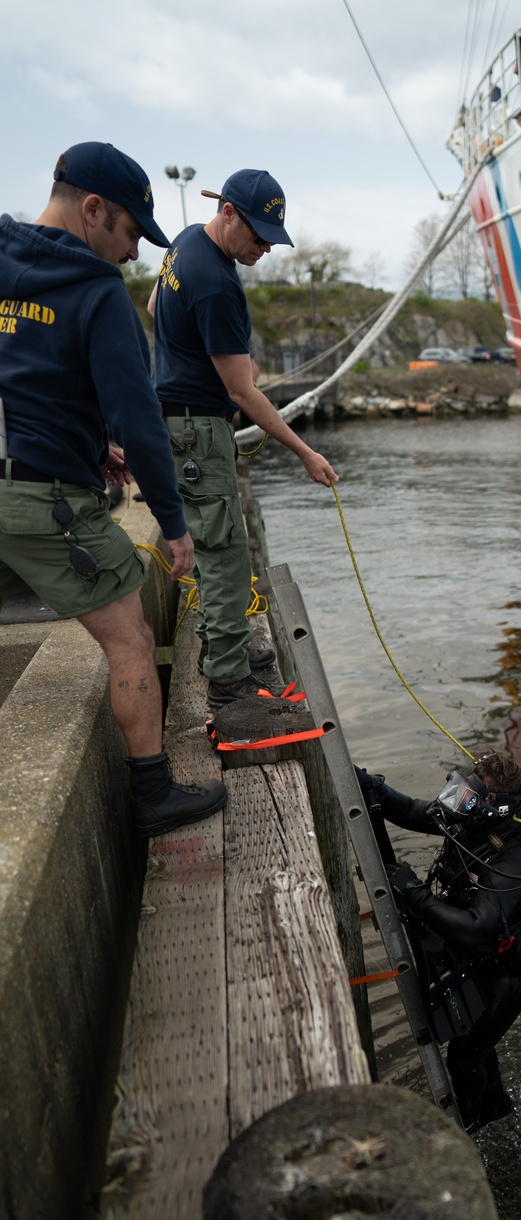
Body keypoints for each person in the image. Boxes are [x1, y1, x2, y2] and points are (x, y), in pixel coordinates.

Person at [0, 142, 226, 838]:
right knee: (129, 637)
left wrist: (91, 449)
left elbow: (26, 377)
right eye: (131, 232)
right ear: (93, 209)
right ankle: (154, 796)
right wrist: (175, 524)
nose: (133, 254)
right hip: (43, 504)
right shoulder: (98, 294)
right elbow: (144, 424)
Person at [149, 169, 339, 708]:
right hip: (200, 429)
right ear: (227, 212)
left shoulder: (183, 244)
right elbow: (241, 392)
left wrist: (200, 350)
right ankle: (230, 685)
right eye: (257, 237)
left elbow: (154, 308)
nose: (263, 249)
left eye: (271, 240)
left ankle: (223, 641)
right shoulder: (217, 282)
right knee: (227, 551)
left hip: (175, 422)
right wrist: (305, 452)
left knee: (212, 542)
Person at [360, 750, 521, 1132]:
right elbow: (411, 811)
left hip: (510, 972)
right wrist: (372, 786)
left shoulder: (515, 857)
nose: (457, 797)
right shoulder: (469, 815)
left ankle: (469, 1126)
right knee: (472, 1042)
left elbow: (475, 925)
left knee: (464, 1055)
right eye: (461, 786)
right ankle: (495, 1107)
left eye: (469, 793)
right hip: (481, 956)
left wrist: (413, 893)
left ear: (494, 806)